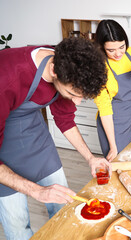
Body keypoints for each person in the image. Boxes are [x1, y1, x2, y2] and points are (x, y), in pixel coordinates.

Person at [0, 37, 111, 240]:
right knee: (17, 225)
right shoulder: (7, 78)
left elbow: (65, 118)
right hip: (3, 149)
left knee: (62, 205)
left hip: (37, 138)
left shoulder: (69, 62)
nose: (76, 101)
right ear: (53, 71)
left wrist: (90, 158)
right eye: (72, 93)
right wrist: (37, 191)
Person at [94, 19, 131, 160]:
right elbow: (105, 109)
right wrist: (113, 145)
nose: (118, 54)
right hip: (111, 123)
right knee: (117, 161)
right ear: (102, 47)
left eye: (122, 47)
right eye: (111, 50)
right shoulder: (98, 67)